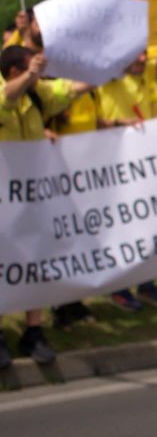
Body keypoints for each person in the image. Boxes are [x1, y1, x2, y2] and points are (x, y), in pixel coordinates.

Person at [0, 47, 91, 365]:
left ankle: (33, 332)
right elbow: (6, 98)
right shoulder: (8, 91)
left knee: (36, 260)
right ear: (15, 72)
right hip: (3, 199)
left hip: (33, 196)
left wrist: (100, 70)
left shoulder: (38, 96)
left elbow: (70, 89)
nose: (40, 76)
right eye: (31, 69)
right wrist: (30, 75)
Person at [96, 53, 157, 311]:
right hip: (113, 164)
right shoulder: (108, 79)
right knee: (121, 229)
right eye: (136, 55)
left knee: (146, 227)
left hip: (142, 166)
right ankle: (119, 287)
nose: (142, 59)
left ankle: (146, 282)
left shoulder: (144, 77)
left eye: (145, 54)